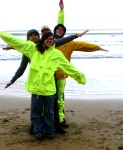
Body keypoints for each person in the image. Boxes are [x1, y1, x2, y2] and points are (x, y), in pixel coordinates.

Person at [0, 31, 86, 140]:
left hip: (49, 90)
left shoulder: (56, 54)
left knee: (49, 113)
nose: (49, 40)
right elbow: (19, 43)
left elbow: (68, 67)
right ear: (43, 40)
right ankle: (38, 131)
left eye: (51, 39)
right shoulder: (33, 49)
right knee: (35, 113)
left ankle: (50, 131)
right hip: (36, 89)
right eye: (47, 38)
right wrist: (2, 34)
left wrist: (80, 77)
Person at [51, 0, 108, 128]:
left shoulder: (69, 43)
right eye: (58, 29)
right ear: (55, 31)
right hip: (49, 75)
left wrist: (97, 47)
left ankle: (60, 120)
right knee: (50, 98)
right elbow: (32, 47)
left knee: (60, 99)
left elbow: (84, 46)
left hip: (61, 76)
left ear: (64, 33)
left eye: (62, 30)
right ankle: (51, 120)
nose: (59, 30)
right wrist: (61, 11)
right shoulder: (50, 42)